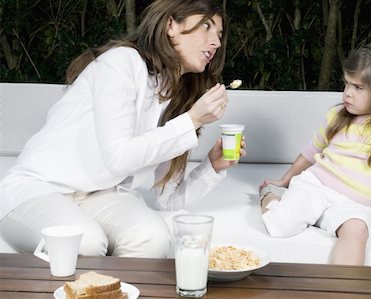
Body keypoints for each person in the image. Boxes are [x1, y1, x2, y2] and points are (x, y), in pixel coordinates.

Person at [0, 0, 245, 258]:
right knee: (84, 242)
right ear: (171, 25)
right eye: (206, 26)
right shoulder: (121, 63)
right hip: (40, 188)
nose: (216, 42)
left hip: (100, 196)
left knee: (154, 237)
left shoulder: (179, 98)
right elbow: (119, 158)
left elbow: (167, 200)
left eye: (219, 34)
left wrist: (212, 167)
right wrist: (192, 121)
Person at [259, 40, 371, 265]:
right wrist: (284, 180)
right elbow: (312, 149)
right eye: (346, 84)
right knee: (279, 227)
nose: (347, 93)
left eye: (358, 87)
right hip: (316, 185)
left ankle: (343, 288)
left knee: (357, 232)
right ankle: (269, 195)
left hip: (355, 205)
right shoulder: (338, 116)